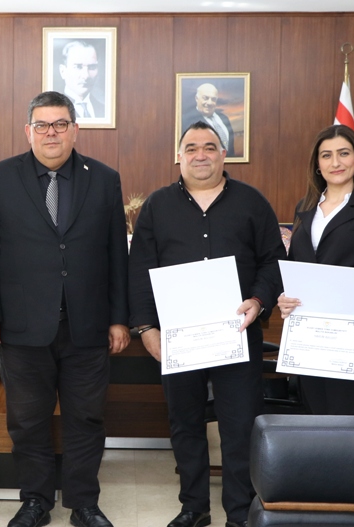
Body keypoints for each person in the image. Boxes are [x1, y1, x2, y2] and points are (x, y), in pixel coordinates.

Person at [0, 91, 129, 527]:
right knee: (27, 421)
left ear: (75, 129)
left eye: (60, 124)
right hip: (21, 327)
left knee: (86, 418)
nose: (51, 133)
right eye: (42, 125)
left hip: (88, 325)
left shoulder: (104, 179)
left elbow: (117, 254)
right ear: (28, 131)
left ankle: (83, 504)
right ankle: (35, 500)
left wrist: (119, 318)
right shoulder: (0, 178)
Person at [128, 121, 284, 527]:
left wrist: (258, 300)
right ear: (178, 156)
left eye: (210, 147)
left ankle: (239, 513)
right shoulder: (157, 206)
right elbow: (140, 269)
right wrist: (146, 329)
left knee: (239, 426)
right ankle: (193, 507)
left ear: (223, 155)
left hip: (237, 334)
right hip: (179, 338)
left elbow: (273, 261)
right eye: (192, 147)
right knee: (185, 423)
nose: (201, 154)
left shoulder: (252, 202)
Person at [276, 124, 354, 415]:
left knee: (343, 423)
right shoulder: (306, 206)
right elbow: (296, 268)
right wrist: (285, 297)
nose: (336, 162)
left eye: (344, 153)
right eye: (327, 155)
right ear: (317, 164)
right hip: (309, 338)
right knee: (313, 421)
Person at [180, 83, 235, 155]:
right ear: (197, 98)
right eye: (205, 98)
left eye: (213, 99)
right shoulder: (185, 121)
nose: (209, 102)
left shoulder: (224, 118)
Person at [58, 40, 104, 120]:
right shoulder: (53, 109)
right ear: (63, 71)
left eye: (92, 67)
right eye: (78, 67)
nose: (86, 76)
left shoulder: (104, 110)